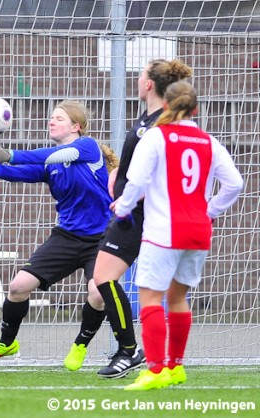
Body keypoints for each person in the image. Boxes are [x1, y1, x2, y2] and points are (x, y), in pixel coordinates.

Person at [0, 100, 118, 367]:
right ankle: (6, 343)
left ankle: (80, 345)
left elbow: (47, 157)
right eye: (51, 117)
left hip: (101, 238)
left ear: (77, 127)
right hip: (67, 237)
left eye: (59, 118)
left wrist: (10, 155)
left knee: (97, 293)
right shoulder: (50, 163)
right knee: (18, 287)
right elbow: (22, 173)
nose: (52, 121)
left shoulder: (87, 147)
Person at [113, 81, 243, 390]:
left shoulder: (157, 136)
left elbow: (137, 179)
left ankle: (156, 370)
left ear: (167, 106)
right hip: (198, 230)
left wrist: (123, 207)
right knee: (178, 297)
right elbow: (235, 183)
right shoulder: (208, 141)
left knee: (150, 297)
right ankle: (176, 367)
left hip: (163, 231)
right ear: (196, 109)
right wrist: (210, 211)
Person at [92, 59, 194, 378]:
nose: (136, 80)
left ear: (149, 84)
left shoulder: (161, 124)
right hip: (131, 210)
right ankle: (137, 352)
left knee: (107, 278)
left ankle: (130, 351)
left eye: (139, 76)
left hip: (140, 214)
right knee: (102, 282)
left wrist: (127, 194)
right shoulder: (147, 118)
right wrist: (118, 176)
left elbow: (160, 171)